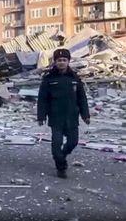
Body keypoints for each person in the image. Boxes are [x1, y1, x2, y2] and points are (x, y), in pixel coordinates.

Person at [37, 48, 90, 179]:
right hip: (56, 118)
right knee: (56, 144)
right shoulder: (49, 79)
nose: (61, 62)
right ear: (55, 62)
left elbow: (82, 98)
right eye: (59, 60)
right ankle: (61, 167)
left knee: (73, 142)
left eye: (64, 60)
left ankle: (61, 156)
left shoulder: (74, 78)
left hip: (72, 117)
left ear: (68, 62)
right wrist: (41, 116)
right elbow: (42, 99)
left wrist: (85, 115)